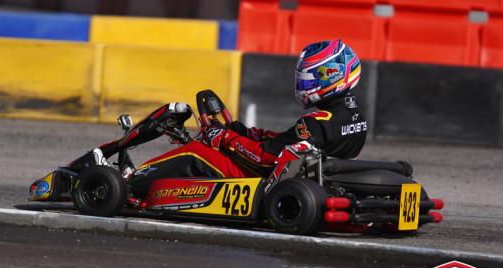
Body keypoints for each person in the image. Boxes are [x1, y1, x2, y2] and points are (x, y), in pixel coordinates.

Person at [127, 39, 367, 199]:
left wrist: (225, 138)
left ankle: (130, 185)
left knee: (196, 151)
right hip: (316, 180)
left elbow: (267, 157)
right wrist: (245, 132)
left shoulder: (316, 120)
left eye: (309, 79)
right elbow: (291, 142)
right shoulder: (352, 114)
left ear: (332, 76)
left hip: (270, 183)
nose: (304, 86)